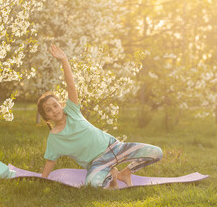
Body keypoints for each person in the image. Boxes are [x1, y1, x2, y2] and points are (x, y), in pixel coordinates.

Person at [38, 44, 163, 189]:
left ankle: (125, 173)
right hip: (98, 163)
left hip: (114, 148)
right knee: (93, 185)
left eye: (55, 105)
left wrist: (64, 60)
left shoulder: (72, 111)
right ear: (46, 117)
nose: (54, 110)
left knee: (156, 153)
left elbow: (71, 85)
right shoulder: (55, 138)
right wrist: (43, 180)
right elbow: (50, 161)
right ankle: (111, 173)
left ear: (61, 104)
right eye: (48, 110)